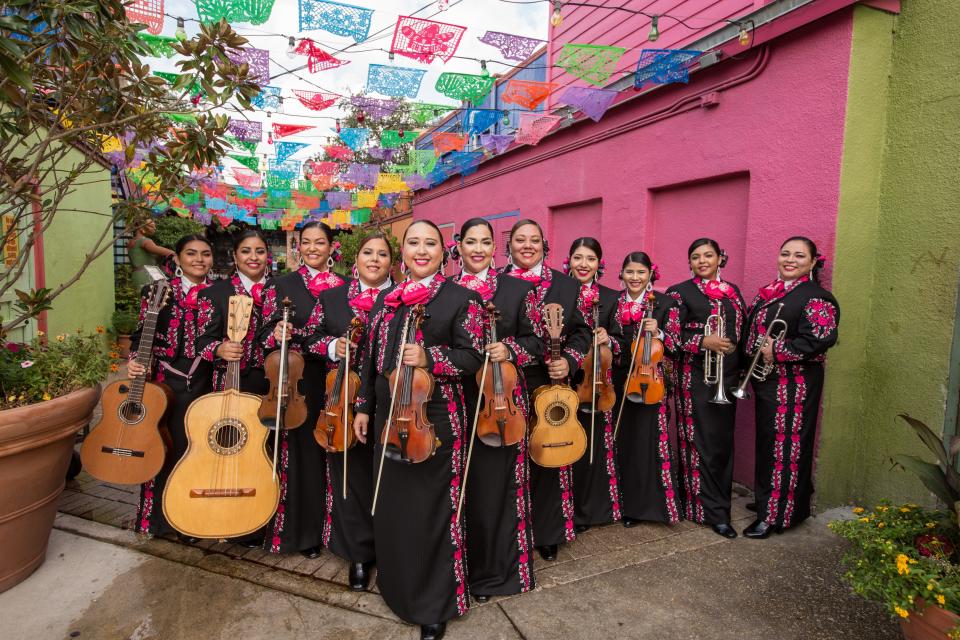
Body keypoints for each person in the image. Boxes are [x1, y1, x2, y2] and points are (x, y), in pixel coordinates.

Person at [353, 220, 484, 640]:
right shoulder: (385, 301)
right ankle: (397, 587)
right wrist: (362, 409)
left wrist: (430, 357)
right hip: (388, 421)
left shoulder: (463, 298)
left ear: (445, 251)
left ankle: (434, 602)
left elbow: (473, 356)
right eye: (413, 243)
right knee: (393, 509)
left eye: (430, 243)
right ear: (402, 251)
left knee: (432, 513)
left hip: (437, 419)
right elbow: (369, 362)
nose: (421, 250)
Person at [452, 218, 541, 602]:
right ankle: (457, 569)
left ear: (494, 247)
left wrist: (511, 350)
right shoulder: (444, 291)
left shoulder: (519, 288)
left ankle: (494, 573)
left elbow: (536, 340)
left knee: (495, 488)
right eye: (470, 242)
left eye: (485, 242)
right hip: (455, 400)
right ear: (458, 246)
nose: (477, 249)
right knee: (460, 488)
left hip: (500, 402)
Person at [302, 231, 394, 591]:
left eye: (382, 254)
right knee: (349, 477)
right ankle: (358, 553)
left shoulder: (403, 298)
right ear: (354, 259)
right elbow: (308, 338)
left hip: (389, 402)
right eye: (367, 252)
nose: (374, 259)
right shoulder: (332, 297)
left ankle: (390, 550)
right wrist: (331, 345)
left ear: (392, 262)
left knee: (388, 480)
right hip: (341, 400)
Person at [502, 219, 591, 562]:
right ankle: (509, 529)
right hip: (506, 383)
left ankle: (548, 530)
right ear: (509, 245)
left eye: (534, 240)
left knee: (549, 455)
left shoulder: (567, 286)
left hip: (551, 380)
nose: (527, 245)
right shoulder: (495, 281)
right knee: (508, 456)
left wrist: (569, 360)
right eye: (520, 240)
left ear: (544, 245)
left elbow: (582, 332)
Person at [741, 237, 839, 538]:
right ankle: (768, 500)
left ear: (812, 263)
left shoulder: (816, 297)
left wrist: (777, 349)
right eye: (785, 253)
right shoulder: (771, 292)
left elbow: (820, 338)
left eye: (799, 256)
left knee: (786, 447)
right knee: (770, 442)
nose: (790, 260)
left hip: (794, 383)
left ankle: (775, 516)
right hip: (768, 380)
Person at [260, 221, 344, 559]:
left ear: (331, 247)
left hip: (339, 382)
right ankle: (305, 533)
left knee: (336, 457)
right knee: (302, 458)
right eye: (306, 243)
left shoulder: (347, 286)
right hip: (299, 381)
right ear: (299, 248)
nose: (312, 248)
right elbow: (260, 336)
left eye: (319, 242)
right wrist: (276, 331)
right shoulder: (280, 285)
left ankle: (337, 531)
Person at [129, 234, 214, 538]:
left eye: (205, 254)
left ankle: (191, 520)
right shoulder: (157, 290)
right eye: (191, 254)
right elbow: (141, 334)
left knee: (199, 452)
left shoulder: (221, 292)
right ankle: (156, 520)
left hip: (206, 382)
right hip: (165, 381)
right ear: (177, 259)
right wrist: (134, 360)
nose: (199, 260)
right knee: (161, 447)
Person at [666, 238, 745, 539]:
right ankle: (701, 509)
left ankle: (719, 506)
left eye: (708, 255)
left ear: (720, 259)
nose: (702, 261)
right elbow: (671, 335)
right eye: (696, 257)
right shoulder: (679, 292)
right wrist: (702, 341)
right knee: (698, 442)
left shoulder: (733, 292)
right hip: (695, 377)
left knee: (721, 443)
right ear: (690, 263)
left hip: (726, 377)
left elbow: (742, 329)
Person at [613, 252, 682, 527]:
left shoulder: (666, 304)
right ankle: (623, 504)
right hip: (619, 380)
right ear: (622, 273)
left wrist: (661, 333)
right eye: (629, 272)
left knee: (648, 442)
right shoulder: (613, 303)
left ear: (650, 274)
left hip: (652, 382)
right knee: (624, 441)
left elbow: (677, 345)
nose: (635, 278)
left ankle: (648, 506)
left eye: (641, 272)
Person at [565, 238, 625, 532]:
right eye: (578, 258)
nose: (584, 264)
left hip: (598, 382)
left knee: (595, 444)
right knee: (566, 442)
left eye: (590, 259)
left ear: (599, 264)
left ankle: (591, 510)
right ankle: (566, 510)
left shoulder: (612, 297)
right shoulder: (558, 291)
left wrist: (609, 340)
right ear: (569, 260)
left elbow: (623, 341)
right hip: (565, 377)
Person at [128, 215, 175, 290]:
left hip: (137, 274)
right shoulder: (145, 241)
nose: (155, 228)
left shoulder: (132, 242)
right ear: (141, 227)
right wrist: (176, 254)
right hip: (147, 274)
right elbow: (158, 249)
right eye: (151, 226)